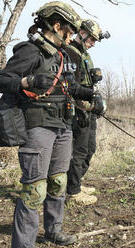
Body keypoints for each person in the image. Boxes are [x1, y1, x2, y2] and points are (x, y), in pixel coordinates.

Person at [0, 1, 104, 247]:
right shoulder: (30, 50)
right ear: (57, 25)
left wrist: (91, 95)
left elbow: (69, 87)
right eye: (69, 30)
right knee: (35, 189)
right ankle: (23, 244)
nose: (72, 35)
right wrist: (28, 81)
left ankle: (53, 231)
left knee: (58, 182)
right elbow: (3, 79)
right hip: (38, 126)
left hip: (63, 126)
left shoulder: (62, 54)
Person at [65, 19, 109, 205]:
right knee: (79, 151)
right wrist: (90, 102)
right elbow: (71, 89)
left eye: (94, 41)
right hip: (78, 111)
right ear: (81, 33)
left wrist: (96, 102)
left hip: (88, 109)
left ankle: (76, 183)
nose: (92, 44)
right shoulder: (70, 53)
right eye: (91, 39)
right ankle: (72, 192)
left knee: (90, 148)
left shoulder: (82, 53)